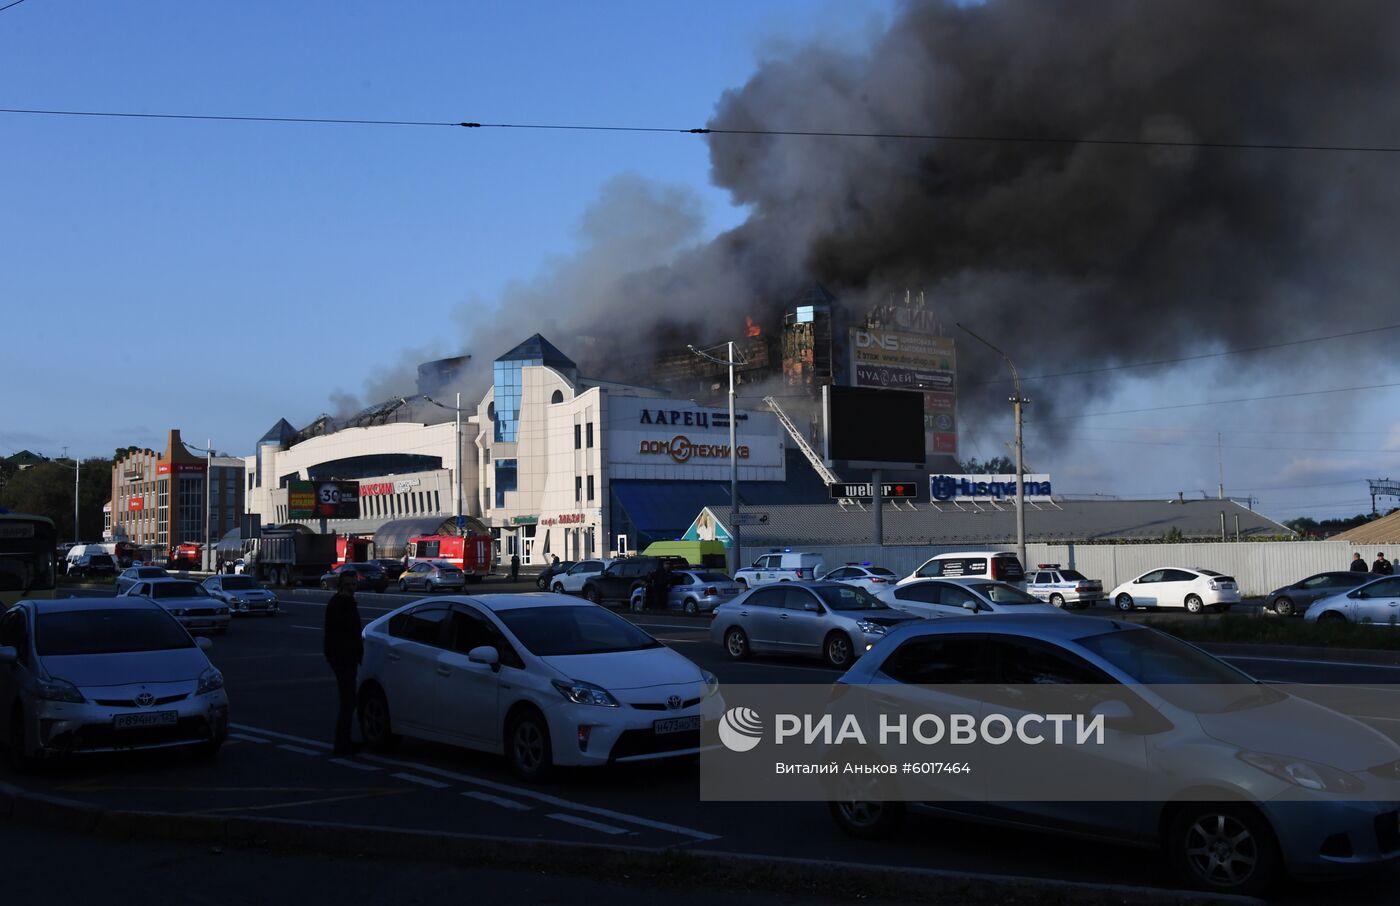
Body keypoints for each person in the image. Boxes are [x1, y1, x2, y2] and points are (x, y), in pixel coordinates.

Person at [323, 571, 364, 755]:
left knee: (349, 701)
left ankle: (344, 741)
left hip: (348, 657)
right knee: (348, 701)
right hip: (342, 657)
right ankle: (341, 744)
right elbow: (337, 633)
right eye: (348, 585)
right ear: (341, 585)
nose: (351, 588)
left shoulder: (348, 602)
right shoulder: (338, 604)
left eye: (354, 584)